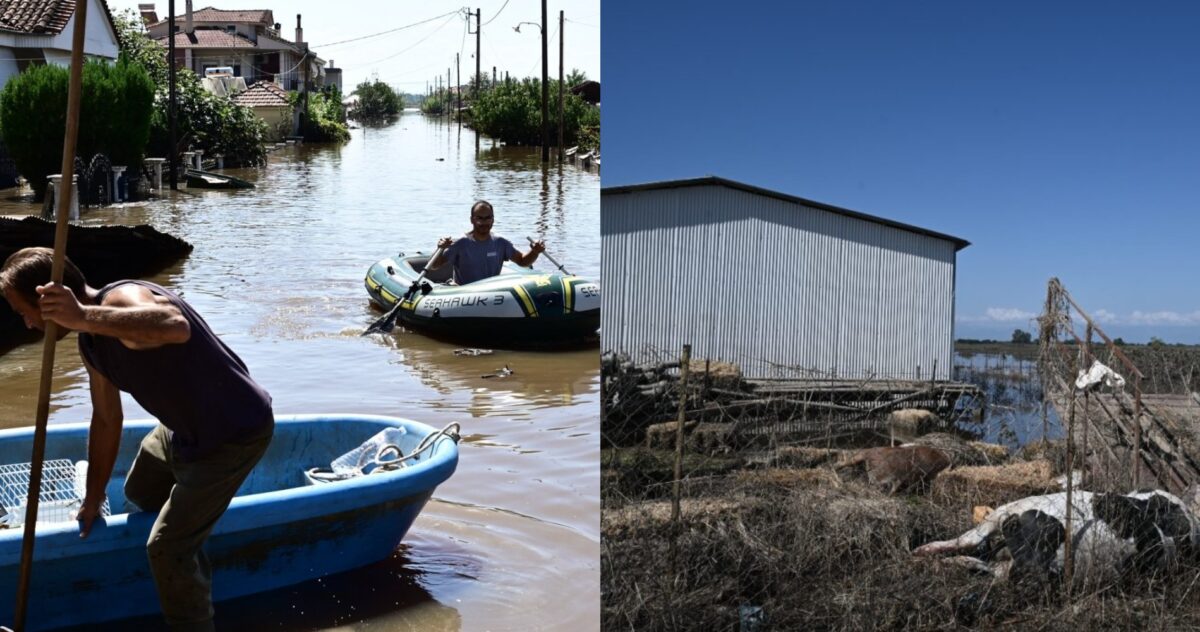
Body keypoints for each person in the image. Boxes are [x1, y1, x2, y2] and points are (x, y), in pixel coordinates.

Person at [0, 247, 273, 632]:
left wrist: (82, 316)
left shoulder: (121, 298)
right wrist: (93, 497)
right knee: (140, 492)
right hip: (181, 429)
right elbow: (107, 419)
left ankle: (190, 601)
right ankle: (194, 532)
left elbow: (174, 325)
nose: (28, 323)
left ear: (49, 300)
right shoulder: (91, 344)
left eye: (23, 311)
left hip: (233, 432)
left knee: (166, 548)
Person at [427, 200, 547, 285]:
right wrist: (440, 249)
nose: (484, 222)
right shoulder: (460, 243)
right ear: (472, 220)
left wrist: (535, 252)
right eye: (479, 218)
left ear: (493, 219)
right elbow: (434, 266)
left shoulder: (501, 242)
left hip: (490, 295)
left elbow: (522, 261)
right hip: (463, 294)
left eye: (488, 218)